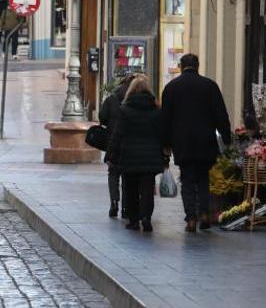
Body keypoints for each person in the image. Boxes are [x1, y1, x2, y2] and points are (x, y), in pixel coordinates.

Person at [161, 53, 232, 232]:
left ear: (181, 66)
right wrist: (226, 138)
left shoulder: (171, 88)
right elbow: (221, 115)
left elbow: (165, 120)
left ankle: (191, 218)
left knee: (187, 179)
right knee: (203, 178)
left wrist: (166, 144)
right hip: (205, 141)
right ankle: (205, 213)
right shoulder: (210, 86)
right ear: (198, 66)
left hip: (182, 142)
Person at [107, 75, 165, 232]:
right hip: (150, 156)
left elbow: (117, 135)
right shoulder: (156, 110)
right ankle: (146, 218)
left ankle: (133, 220)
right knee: (147, 189)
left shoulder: (125, 110)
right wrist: (165, 154)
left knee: (130, 189)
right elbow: (162, 134)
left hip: (129, 156)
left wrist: (111, 154)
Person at [98, 74, 136, 218]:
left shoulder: (111, 99)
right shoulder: (136, 101)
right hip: (130, 144)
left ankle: (114, 202)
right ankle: (126, 208)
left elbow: (102, 117)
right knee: (127, 175)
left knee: (113, 173)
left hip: (113, 142)